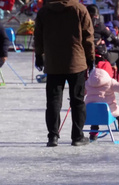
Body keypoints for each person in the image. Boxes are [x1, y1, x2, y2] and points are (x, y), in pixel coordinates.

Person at [34, 0, 95, 147]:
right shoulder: (80, 9)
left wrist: (39, 55)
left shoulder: (44, 11)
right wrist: (90, 58)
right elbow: (88, 36)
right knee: (77, 101)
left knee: (53, 101)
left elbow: (38, 36)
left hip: (53, 62)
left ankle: (53, 136)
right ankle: (77, 136)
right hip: (76, 61)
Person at [86, 4, 119, 81]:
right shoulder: (99, 26)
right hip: (101, 55)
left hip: (85, 56)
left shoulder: (80, 25)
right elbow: (112, 39)